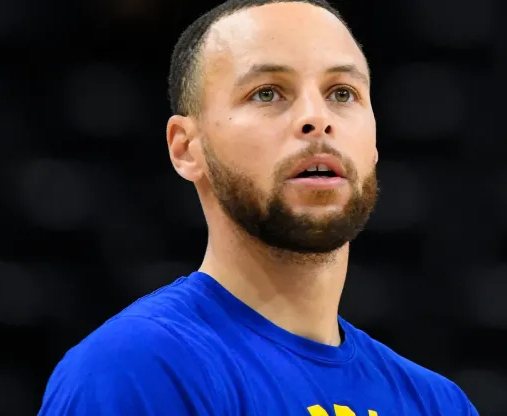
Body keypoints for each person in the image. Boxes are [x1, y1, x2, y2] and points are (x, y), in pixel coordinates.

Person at [38, 0, 479, 414]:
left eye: (342, 93)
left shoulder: (438, 402)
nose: (317, 117)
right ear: (187, 148)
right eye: (268, 93)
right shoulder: (137, 368)